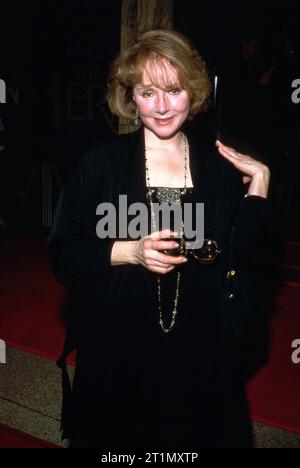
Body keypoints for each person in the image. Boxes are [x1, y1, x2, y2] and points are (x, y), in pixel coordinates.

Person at [48, 29, 271, 448]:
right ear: (131, 97)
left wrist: (259, 186)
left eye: (174, 90)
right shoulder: (100, 164)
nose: (163, 107)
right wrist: (129, 250)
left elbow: (244, 272)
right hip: (117, 357)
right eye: (148, 92)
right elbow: (63, 255)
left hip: (198, 364)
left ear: (194, 91)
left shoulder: (220, 172)